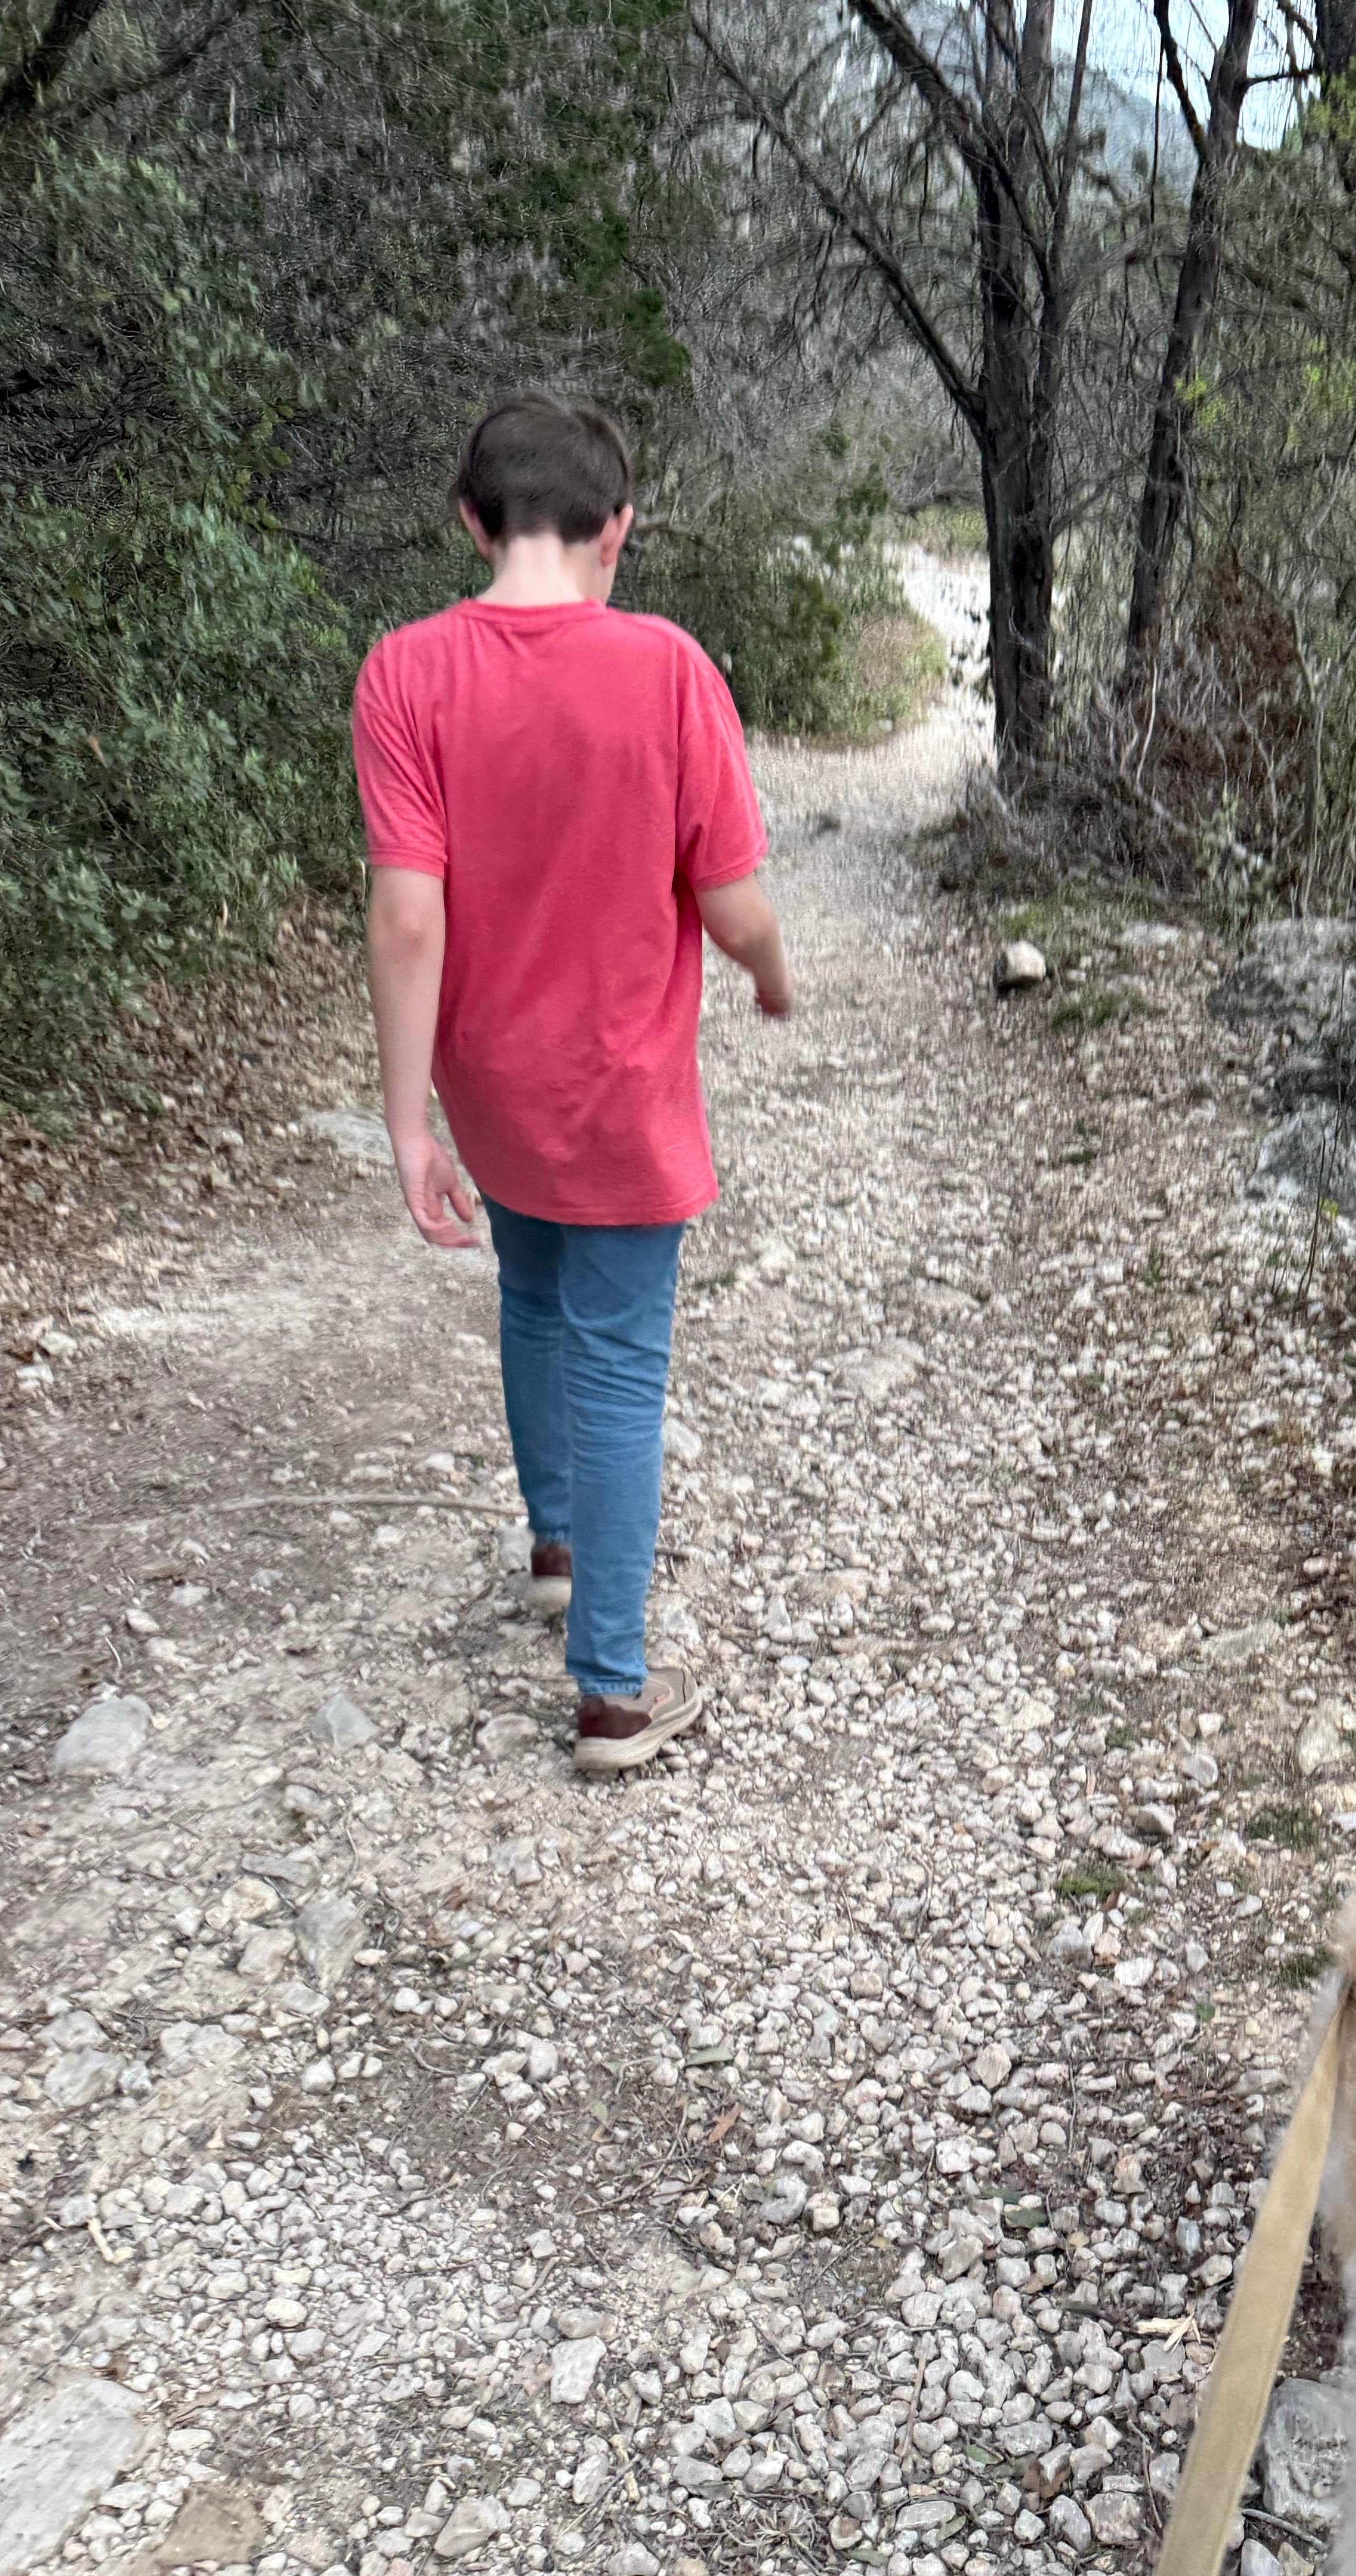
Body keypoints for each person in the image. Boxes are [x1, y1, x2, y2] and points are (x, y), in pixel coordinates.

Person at [351, 394, 791, 1773]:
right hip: (619, 1098)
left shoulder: (404, 673)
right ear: (620, 531)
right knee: (618, 1362)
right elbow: (729, 902)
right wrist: (773, 975)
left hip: (491, 1084)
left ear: (469, 522)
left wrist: (409, 1118)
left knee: (532, 1298)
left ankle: (555, 1543)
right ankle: (608, 1688)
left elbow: (405, 915)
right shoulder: (666, 670)